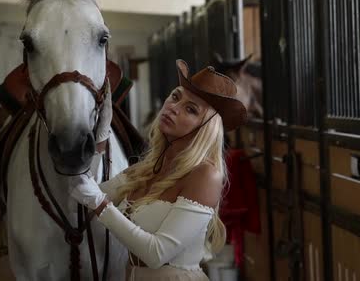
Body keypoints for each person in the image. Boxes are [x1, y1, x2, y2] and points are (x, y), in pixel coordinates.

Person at [70, 59, 247, 280]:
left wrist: (100, 204)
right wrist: (100, 140)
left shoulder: (206, 174)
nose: (174, 107)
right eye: (175, 96)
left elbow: (156, 254)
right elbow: (82, 195)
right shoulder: (147, 168)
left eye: (190, 109)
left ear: (205, 128)